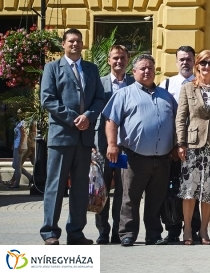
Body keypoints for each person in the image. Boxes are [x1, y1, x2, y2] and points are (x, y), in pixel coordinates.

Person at [40, 28, 106, 245]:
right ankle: (50, 232)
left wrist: (87, 116)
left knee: (79, 189)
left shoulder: (91, 69)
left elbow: (99, 98)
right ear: (64, 44)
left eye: (78, 41)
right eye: (71, 41)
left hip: (85, 139)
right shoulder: (52, 68)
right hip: (61, 138)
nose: (75, 44)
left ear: (82, 43)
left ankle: (76, 233)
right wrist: (73, 117)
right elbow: (47, 99)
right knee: (55, 186)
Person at [104, 54, 176, 247]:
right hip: (133, 156)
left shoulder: (166, 96)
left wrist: (176, 146)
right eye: (142, 68)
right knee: (130, 198)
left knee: (156, 199)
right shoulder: (123, 94)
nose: (147, 71)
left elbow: (176, 123)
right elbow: (111, 121)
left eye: (150, 68)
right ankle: (127, 233)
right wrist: (112, 145)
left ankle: (153, 234)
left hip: (162, 159)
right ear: (133, 71)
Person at [175, 50, 210, 245]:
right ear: (197, 65)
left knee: (209, 190)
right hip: (193, 145)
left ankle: (204, 230)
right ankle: (188, 229)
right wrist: (180, 143)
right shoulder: (188, 88)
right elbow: (181, 117)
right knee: (189, 190)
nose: (207, 66)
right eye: (203, 63)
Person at [158, 45, 198, 243]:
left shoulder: (201, 83)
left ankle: (195, 229)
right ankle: (173, 229)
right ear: (176, 62)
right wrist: (173, 146)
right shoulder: (166, 84)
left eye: (189, 59)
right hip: (172, 148)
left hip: (196, 147)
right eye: (181, 59)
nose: (185, 62)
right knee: (172, 191)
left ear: (194, 61)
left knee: (195, 191)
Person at [95, 44, 134, 244]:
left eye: (122, 58)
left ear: (128, 60)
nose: (119, 61)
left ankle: (119, 231)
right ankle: (102, 231)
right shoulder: (99, 84)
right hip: (103, 147)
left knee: (122, 190)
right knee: (101, 190)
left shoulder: (135, 83)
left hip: (125, 148)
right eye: (115, 58)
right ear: (109, 60)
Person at [6, 111, 32, 189]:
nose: (18, 114)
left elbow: (23, 135)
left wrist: (20, 146)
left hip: (20, 146)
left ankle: (16, 184)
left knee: (17, 166)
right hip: (17, 145)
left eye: (20, 113)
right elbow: (18, 135)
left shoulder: (23, 123)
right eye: (17, 113)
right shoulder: (21, 123)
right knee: (16, 165)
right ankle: (30, 177)